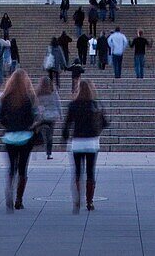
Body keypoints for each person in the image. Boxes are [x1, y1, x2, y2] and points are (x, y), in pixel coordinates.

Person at [62, 79, 109, 213]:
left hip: (77, 142)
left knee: (77, 172)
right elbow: (105, 123)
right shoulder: (95, 105)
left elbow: (67, 125)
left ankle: (77, 201)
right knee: (90, 172)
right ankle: (89, 202)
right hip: (92, 142)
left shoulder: (73, 105)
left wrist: (64, 138)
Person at [0, 70, 38, 211]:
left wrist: (8, 125)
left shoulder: (5, 98)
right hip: (25, 137)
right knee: (22, 169)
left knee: (11, 167)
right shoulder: (28, 98)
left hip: (10, 137)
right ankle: (19, 199)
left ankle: (9, 190)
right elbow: (32, 118)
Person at [36, 76, 62, 160]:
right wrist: (61, 115)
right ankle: (49, 153)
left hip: (42, 116)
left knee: (42, 132)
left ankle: (41, 143)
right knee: (50, 135)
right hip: (52, 116)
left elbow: (35, 104)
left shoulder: (38, 93)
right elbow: (58, 103)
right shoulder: (53, 92)